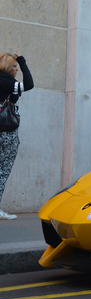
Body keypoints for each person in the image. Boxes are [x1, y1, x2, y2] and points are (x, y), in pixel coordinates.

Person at [0, 53, 34, 220]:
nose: (17, 69)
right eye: (14, 66)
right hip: (6, 132)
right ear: (7, 67)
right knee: (3, 171)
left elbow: (12, 98)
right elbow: (29, 84)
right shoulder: (7, 81)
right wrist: (23, 60)